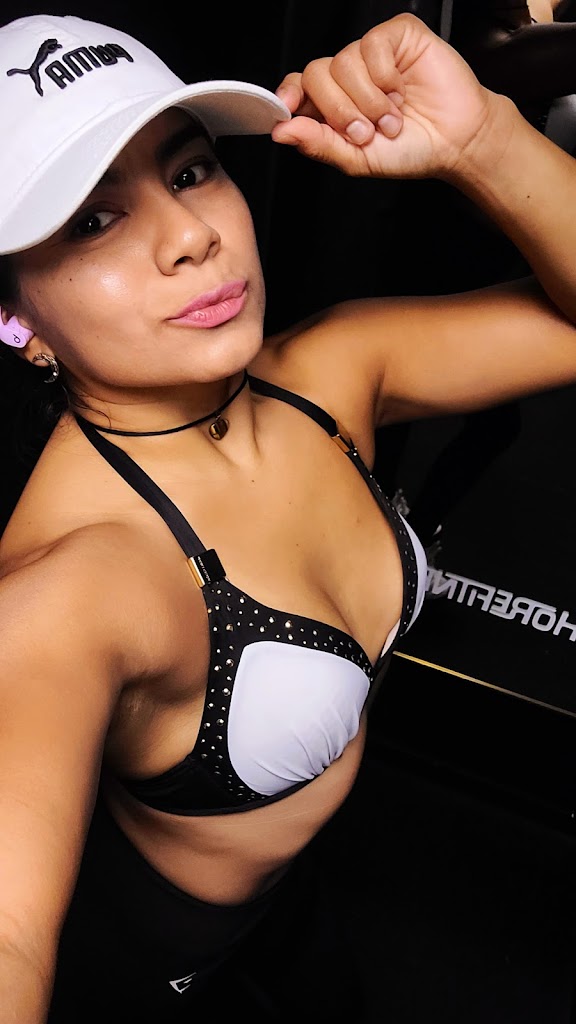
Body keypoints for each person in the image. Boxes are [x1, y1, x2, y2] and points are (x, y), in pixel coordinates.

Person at [2, 10, 576, 1024]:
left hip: (293, 891)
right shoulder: (73, 587)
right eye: (92, 221)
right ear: (17, 321)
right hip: (142, 960)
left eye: (189, 172)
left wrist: (486, 140)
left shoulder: (334, 371)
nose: (193, 235)